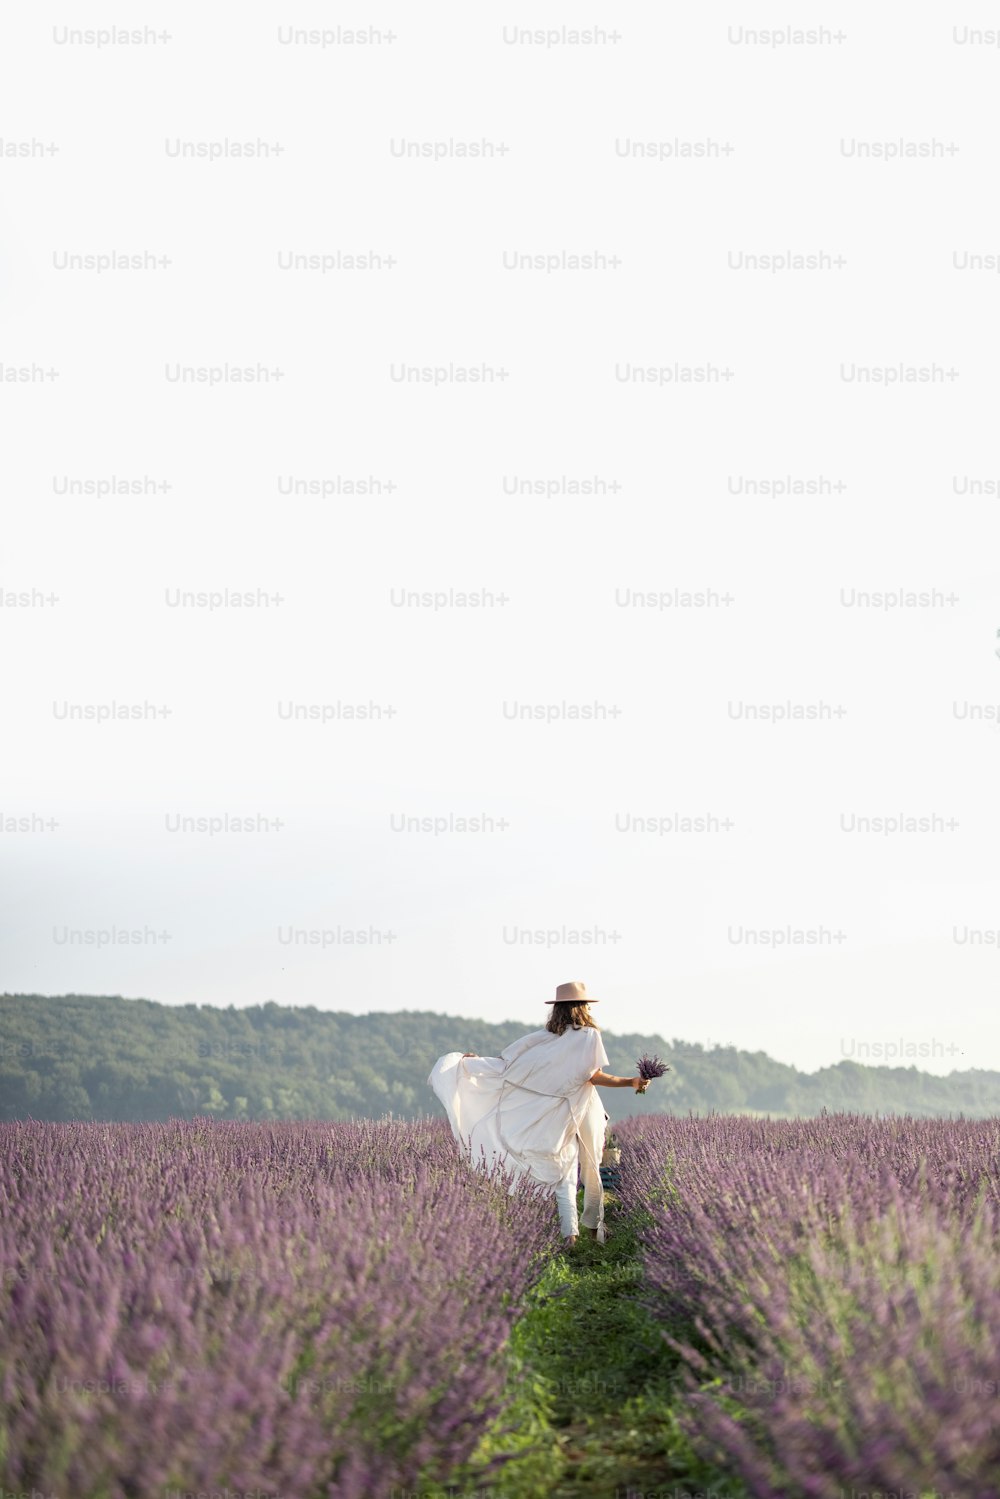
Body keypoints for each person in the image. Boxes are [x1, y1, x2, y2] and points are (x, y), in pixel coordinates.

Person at [427, 980, 647, 1247]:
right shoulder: (589, 1036)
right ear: (583, 1007)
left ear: (558, 1009)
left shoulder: (543, 1038)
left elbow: (506, 1066)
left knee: (562, 1170)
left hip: (548, 1113)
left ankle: (572, 1239)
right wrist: (631, 1082)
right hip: (576, 1109)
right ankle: (591, 1232)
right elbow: (593, 1076)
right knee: (587, 1166)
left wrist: (470, 1064)